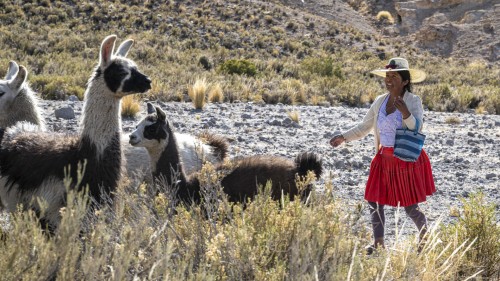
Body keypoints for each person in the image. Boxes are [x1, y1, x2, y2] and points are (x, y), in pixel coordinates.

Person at [329, 57, 436, 254]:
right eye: (387, 75)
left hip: (404, 159)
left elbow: (418, 128)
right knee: (374, 199)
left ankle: (425, 237)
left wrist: (406, 114)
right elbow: (365, 127)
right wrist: (343, 137)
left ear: (405, 81)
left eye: (394, 76)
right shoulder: (380, 101)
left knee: (410, 206)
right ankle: (378, 243)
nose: (389, 79)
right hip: (383, 159)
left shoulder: (413, 101)